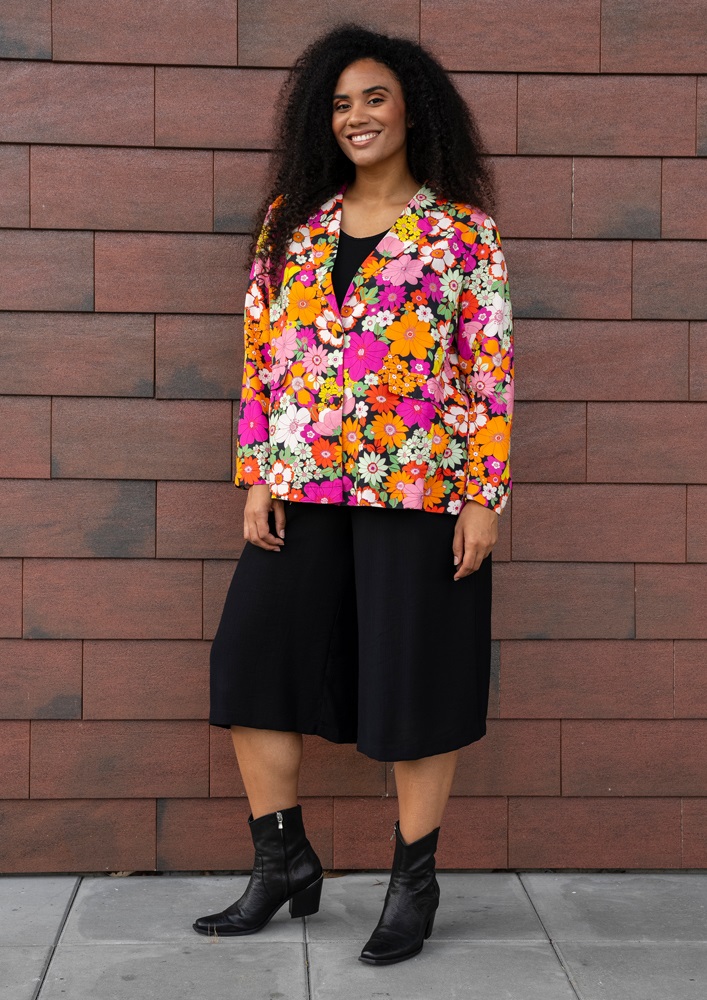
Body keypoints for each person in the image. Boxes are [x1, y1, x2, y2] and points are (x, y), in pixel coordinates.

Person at [193, 23, 514, 965]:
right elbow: (261, 359)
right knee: (252, 664)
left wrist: (483, 495)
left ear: (414, 109)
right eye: (339, 104)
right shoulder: (290, 222)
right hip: (300, 485)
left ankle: (413, 883)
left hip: (420, 490)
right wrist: (257, 472)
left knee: (417, 680)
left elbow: (489, 371)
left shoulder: (461, 233)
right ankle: (282, 860)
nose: (355, 116)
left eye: (374, 98)